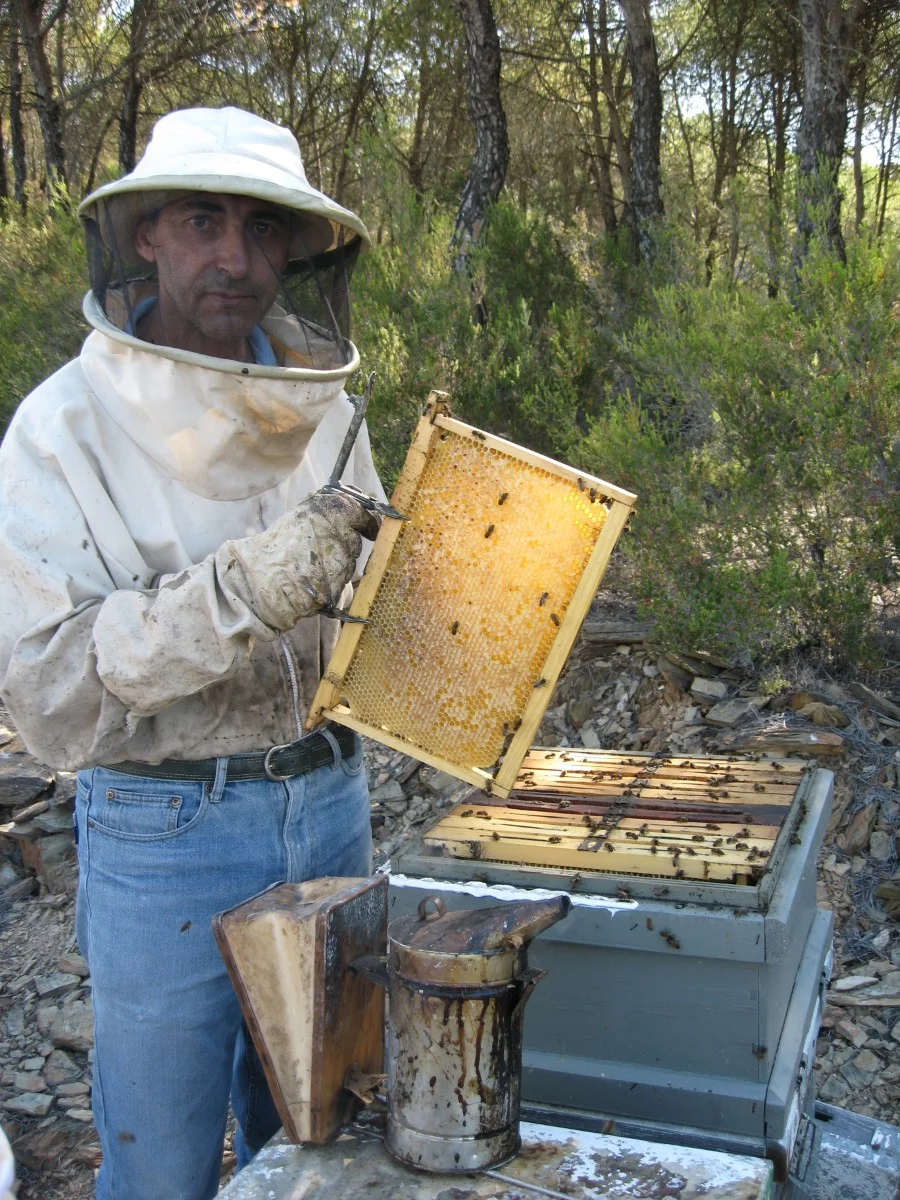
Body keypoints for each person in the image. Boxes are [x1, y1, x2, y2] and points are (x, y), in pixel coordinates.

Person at [0, 107, 386, 1200]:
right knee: (161, 1163)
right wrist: (239, 594)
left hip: (330, 799)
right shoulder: (60, 429)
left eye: (262, 231)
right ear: (145, 237)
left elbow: (376, 600)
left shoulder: (325, 409)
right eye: (202, 222)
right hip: (163, 825)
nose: (235, 258)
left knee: (319, 1143)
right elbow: (47, 691)